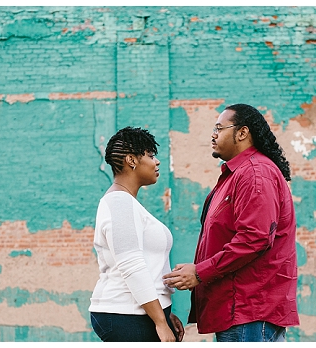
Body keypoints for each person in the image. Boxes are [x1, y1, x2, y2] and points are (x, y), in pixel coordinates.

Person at [162, 104, 299, 342]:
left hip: (249, 311)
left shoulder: (255, 173)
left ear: (242, 133)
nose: (213, 134)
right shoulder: (237, 175)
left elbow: (254, 238)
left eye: (219, 128)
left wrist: (200, 272)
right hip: (239, 311)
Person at [89, 126, 185, 342]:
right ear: (131, 160)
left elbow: (148, 266)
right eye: (150, 155)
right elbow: (131, 265)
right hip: (126, 315)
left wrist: (164, 314)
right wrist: (160, 321)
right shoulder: (119, 202)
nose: (156, 161)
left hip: (139, 314)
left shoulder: (128, 203)